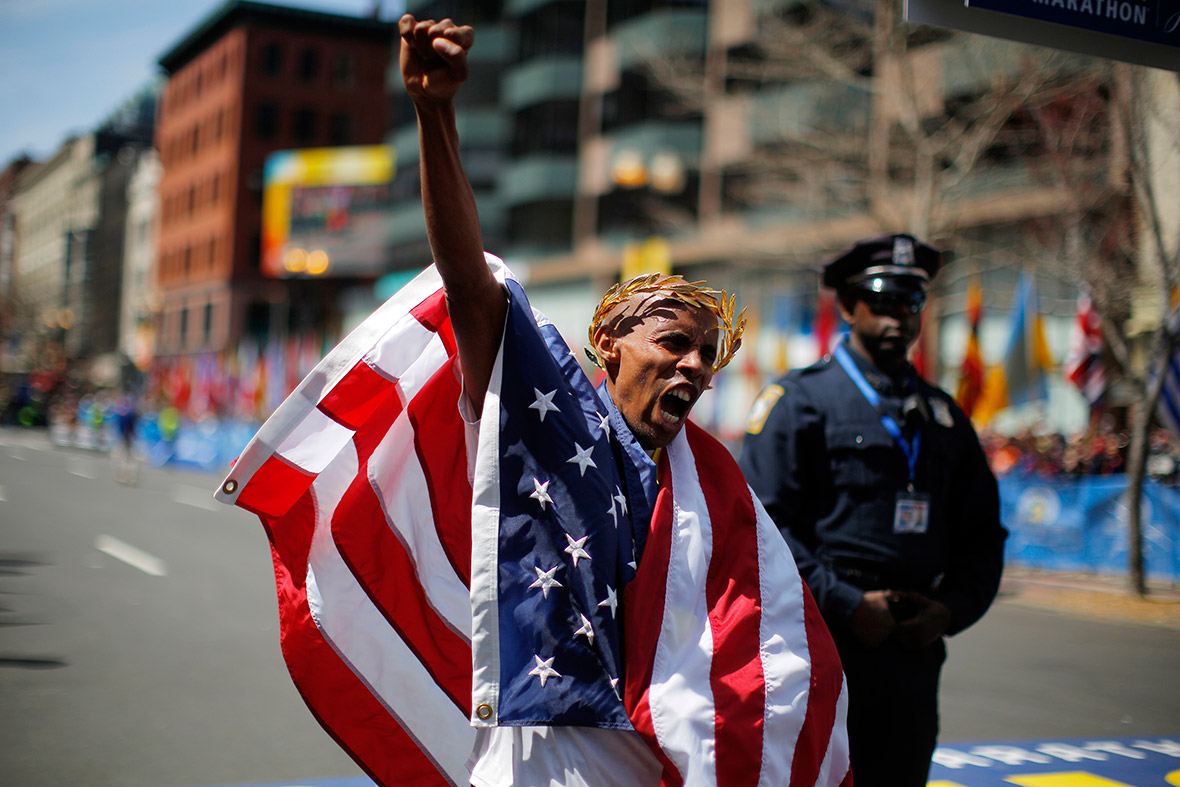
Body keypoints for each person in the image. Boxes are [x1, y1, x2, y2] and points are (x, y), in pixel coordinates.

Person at [398, 15, 848, 787]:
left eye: (708, 354)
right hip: (540, 748)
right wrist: (435, 114)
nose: (695, 364)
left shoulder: (712, 484)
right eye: (672, 341)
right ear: (609, 343)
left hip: (649, 758)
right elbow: (471, 288)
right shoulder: (542, 419)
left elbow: (761, 636)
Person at [740, 234, 1007, 787]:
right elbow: (762, 527)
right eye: (881, 300)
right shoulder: (799, 401)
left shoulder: (945, 416)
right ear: (847, 307)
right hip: (823, 640)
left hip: (912, 645)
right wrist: (846, 603)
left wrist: (950, 611)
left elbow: (983, 534)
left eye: (910, 302)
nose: (897, 316)